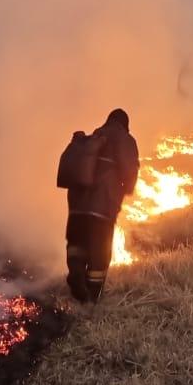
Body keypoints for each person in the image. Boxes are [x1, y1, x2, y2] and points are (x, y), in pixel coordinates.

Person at [65, 108, 139, 303]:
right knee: (99, 254)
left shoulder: (92, 139)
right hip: (102, 208)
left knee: (77, 245)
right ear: (125, 125)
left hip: (77, 207)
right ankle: (91, 297)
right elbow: (130, 171)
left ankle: (75, 278)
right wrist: (125, 191)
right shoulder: (125, 140)